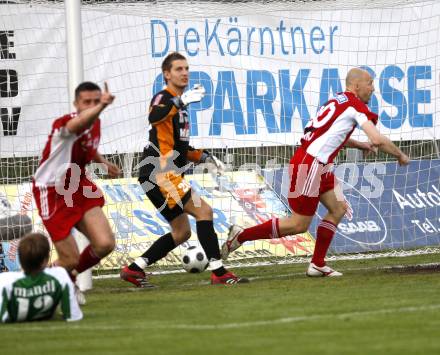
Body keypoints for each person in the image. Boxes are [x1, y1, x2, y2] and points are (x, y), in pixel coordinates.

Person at [222, 67, 410, 276]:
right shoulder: (354, 105)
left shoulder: (336, 101)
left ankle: (317, 264)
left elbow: (332, 135)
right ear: (357, 86)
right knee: (298, 224)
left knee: (338, 208)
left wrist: (360, 145)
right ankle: (242, 235)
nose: (373, 89)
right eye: (370, 84)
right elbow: (377, 139)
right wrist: (400, 155)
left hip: (320, 165)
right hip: (310, 165)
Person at [120, 52, 248, 286]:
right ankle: (219, 272)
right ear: (166, 74)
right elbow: (154, 116)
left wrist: (206, 157)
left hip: (157, 175)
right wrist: (181, 101)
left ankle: (134, 268)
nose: (185, 72)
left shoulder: (181, 107)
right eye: (178, 69)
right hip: (159, 172)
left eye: (186, 68)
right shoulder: (164, 98)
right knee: (204, 212)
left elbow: (181, 147)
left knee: (182, 233)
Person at [32, 82, 120, 300]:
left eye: (95, 101)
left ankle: (67, 278)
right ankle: (31, 282)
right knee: (69, 258)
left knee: (105, 244)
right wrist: (101, 106)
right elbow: (77, 126)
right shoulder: (64, 123)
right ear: (76, 104)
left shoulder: (95, 123)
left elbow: (89, 144)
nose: (91, 106)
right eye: (86, 102)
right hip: (52, 190)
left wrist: (103, 162)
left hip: (78, 183)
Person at [0, 232, 82, 322]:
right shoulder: (59, 275)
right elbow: (73, 316)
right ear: (46, 259)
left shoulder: (5, 280)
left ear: (20, 259)